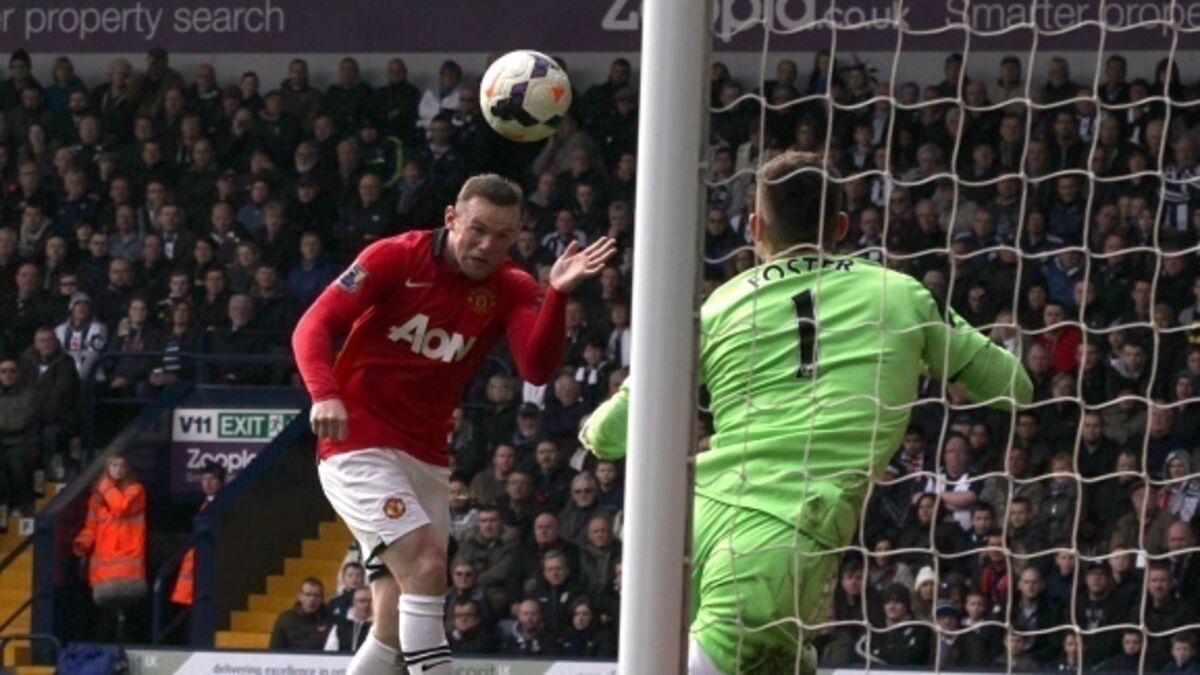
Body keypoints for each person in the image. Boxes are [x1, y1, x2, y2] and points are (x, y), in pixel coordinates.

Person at [581, 151, 1032, 674]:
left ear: (755, 228)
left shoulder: (718, 306)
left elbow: (609, 435)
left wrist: (591, 428)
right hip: (781, 533)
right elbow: (1014, 388)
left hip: (688, 520)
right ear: (841, 226)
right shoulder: (900, 296)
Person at [293, 174, 615, 675]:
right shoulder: (395, 257)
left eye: (502, 236)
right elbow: (313, 324)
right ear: (451, 218)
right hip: (358, 441)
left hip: (426, 453)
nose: (487, 246)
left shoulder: (511, 286)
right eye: (477, 230)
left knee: (391, 624)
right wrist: (324, 393)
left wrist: (555, 294)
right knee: (427, 565)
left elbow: (536, 367)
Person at [72, 454, 147, 641]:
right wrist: (83, 543)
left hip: (128, 570)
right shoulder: (97, 499)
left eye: (122, 465)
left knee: (126, 619)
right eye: (114, 465)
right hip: (103, 571)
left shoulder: (135, 491)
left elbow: (120, 507)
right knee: (105, 620)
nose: (118, 469)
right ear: (106, 468)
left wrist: (105, 486)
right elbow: (91, 526)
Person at [170, 461, 225, 606]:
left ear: (220, 481)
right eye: (204, 479)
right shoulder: (205, 503)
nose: (207, 483)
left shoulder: (222, 503)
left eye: (211, 479)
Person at [269, 577, 333, 650]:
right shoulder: (285, 620)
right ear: (300, 596)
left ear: (322, 598)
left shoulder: (330, 621)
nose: (312, 599)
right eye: (308, 595)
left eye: (316, 595)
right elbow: (274, 649)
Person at [325, 586, 373, 654]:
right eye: (362, 601)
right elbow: (329, 652)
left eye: (370, 601)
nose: (366, 605)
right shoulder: (339, 627)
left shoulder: (379, 628)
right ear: (353, 602)